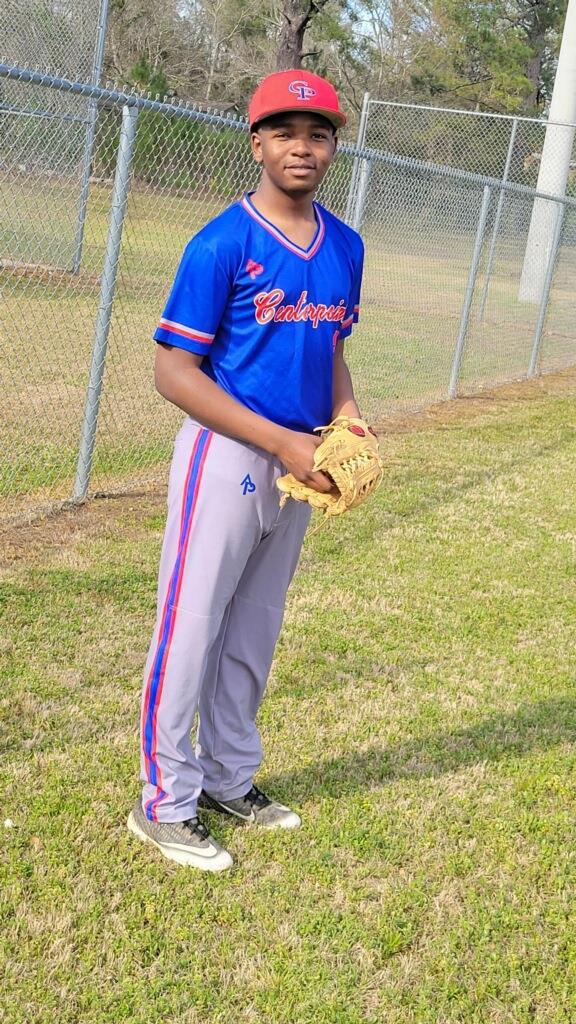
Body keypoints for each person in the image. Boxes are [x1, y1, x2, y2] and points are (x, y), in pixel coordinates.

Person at [127, 69, 365, 871]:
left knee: (255, 626)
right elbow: (173, 372)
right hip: (226, 452)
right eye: (285, 131)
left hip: (301, 459)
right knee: (191, 623)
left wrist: (346, 425)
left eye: (319, 132)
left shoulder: (347, 245)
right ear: (257, 142)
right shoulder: (221, 242)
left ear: (334, 146)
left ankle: (231, 777)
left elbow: (331, 346)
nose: (303, 146)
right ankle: (164, 799)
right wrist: (282, 441)